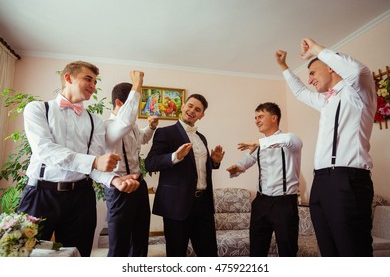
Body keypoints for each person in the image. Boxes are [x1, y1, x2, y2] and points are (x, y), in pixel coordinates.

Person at [18, 61, 140, 257]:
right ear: (68, 77)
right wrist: (93, 161)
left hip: (82, 197)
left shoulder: (95, 121)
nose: (93, 85)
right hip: (40, 195)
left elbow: (93, 165)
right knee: (25, 255)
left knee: (79, 255)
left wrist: (113, 180)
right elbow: (45, 150)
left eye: (95, 81)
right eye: (88, 79)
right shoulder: (37, 109)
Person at [275, 38, 376, 257]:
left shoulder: (357, 93)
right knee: (328, 251)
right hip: (321, 182)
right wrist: (284, 67)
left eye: (312, 73)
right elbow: (301, 92)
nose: (309, 80)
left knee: (352, 251)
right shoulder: (326, 102)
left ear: (331, 67)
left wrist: (318, 50)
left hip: (347, 180)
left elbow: (359, 72)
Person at [145, 93, 225, 257]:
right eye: (190, 106)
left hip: (203, 204)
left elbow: (198, 168)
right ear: (182, 106)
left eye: (198, 109)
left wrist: (214, 162)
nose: (192, 111)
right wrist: (175, 157)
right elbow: (150, 163)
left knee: (209, 253)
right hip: (176, 205)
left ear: (201, 115)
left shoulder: (201, 138)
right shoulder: (165, 133)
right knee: (177, 255)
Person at [227, 102, 302, 257]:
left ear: (274, 118)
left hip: (284, 202)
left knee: (287, 250)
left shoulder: (291, 141)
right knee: (257, 250)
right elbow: (245, 163)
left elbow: (290, 139)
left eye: (260, 116)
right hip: (261, 202)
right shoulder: (258, 146)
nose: (256, 121)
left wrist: (259, 142)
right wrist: (236, 168)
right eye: (255, 118)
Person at [104, 72, 159, 257]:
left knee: (140, 237)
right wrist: (138, 83)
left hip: (140, 186)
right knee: (119, 242)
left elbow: (141, 139)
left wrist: (150, 127)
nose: (137, 111)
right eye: (133, 105)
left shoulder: (133, 126)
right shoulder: (107, 126)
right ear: (120, 103)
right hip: (119, 188)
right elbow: (124, 122)